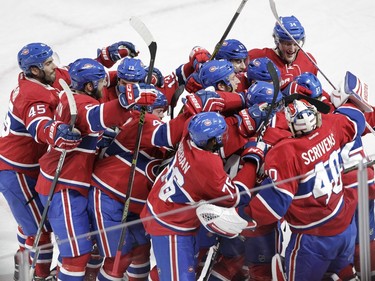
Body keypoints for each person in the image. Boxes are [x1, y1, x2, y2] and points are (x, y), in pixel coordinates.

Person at [199, 95, 369, 280]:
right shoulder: (333, 125)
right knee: (343, 270)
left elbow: (273, 205)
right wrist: (345, 99)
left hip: (313, 237)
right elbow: (355, 119)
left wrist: (240, 215)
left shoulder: (286, 152)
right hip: (345, 226)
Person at [34, 58, 157, 280]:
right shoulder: (83, 105)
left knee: (82, 251)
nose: (104, 86)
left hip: (69, 184)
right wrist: (126, 101)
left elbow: (91, 126)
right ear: (90, 86)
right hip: (63, 187)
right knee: (76, 257)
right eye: (101, 83)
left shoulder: (72, 95)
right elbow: (96, 116)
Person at [140, 108, 270, 280]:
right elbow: (237, 196)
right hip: (171, 227)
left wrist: (246, 119)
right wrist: (252, 160)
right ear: (213, 140)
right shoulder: (205, 166)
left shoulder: (189, 133)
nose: (224, 136)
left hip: (161, 207)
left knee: (170, 270)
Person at [0, 42, 82, 280]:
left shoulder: (43, 79)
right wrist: (56, 133)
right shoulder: (31, 96)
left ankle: (23, 269)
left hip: (26, 167)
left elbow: (74, 72)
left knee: (31, 227)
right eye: (48, 63)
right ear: (35, 70)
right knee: (40, 232)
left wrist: (106, 58)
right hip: (15, 171)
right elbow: (39, 126)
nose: (53, 66)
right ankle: (37, 275)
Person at [248, 15, 318, 89]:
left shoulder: (309, 61)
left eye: (296, 43)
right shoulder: (259, 56)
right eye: (287, 44)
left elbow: (316, 93)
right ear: (277, 41)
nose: (292, 49)